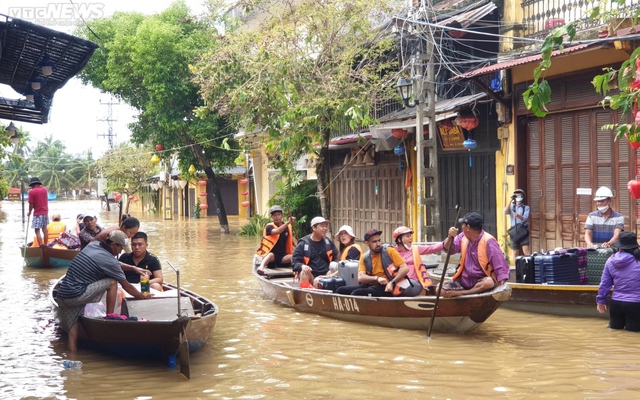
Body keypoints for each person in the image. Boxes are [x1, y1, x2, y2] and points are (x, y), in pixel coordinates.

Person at [55, 230, 153, 352]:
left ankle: (72, 361)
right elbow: (126, 286)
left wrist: (133, 268)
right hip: (77, 295)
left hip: (64, 295)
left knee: (72, 330)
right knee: (112, 281)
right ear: (113, 245)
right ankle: (109, 317)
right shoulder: (109, 260)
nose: (121, 251)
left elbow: (115, 263)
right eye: (120, 248)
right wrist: (141, 296)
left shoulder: (93, 245)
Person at [440, 212, 510, 298]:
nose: (461, 228)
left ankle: (465, 293)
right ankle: (467, 293)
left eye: (463, 225)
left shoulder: (488, 241)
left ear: (468, 227)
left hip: (481, 282)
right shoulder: (462, 237)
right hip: (464, 280)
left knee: (488, 283)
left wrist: (502, 283)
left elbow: (500, 263)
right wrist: (450, 237)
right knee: (439, 290)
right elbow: (448, 249)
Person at [336, 229, 421, 297]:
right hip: (374, 284)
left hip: (389, 286)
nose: (378, 244)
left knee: (357, 293)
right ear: (367, 243)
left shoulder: (389, 251)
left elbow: (404, 268)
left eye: (379, 240)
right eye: (374, 242)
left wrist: (392, 283)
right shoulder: (364, 257)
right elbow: (360, 277)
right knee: (340, 290)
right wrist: (376, 279)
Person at [596, 231, 640, 331]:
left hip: (616, 304)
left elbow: (604, 283)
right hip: (636, 304)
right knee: (633, 336)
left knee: (614, 332)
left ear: (620, 246)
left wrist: (601, 301)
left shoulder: (611, 260)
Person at [292, 216, 339, 288]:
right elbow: (295, 262)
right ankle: (306, 293)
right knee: (304, 272)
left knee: (335, 269)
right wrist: (303, 266)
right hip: (311, 275)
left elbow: (337, 257)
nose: (325, 229)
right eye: (322, 226)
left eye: (326, 226)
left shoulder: (328, 242)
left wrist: (331, 272)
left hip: (326, 275)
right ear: (314, 228)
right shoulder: (303, 243)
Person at [392, 226, 441, 292]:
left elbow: (432, 248)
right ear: (399, 240)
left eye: (410, 236)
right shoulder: (392, 251)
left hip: (414, 282)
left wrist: (446, 242)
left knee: (407, 286)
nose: (410, 238)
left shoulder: (415, 249)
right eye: (407, 236)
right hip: (398, 281)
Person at [256, 205, 296, 274]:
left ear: (282, 216)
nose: (277, 217)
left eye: (279, 215)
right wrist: (288, 223)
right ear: (271, 217)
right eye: (274, 215)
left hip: (283, 256)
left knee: (293, 257)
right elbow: (277, 231)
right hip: (272, 257)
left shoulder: (287, 227)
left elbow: (292, 240)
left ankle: (296, 271)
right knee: (270, 255)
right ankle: (261, 267)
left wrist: (299, 247)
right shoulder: (269, 226)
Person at [504, 188, 530, 256]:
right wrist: (510, 200)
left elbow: (525, 219)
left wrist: (518, 215)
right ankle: (517, 266)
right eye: (516, 196)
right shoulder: (512, 206)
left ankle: (529, 266)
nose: (518, 197)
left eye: (520, 196)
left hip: (522, 231)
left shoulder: (526, 208)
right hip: (514, 231)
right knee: (515, 252)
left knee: (526, 251)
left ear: (522, 197)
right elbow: (505, 211)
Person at [27, 177, 49, 246]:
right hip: (45, 212)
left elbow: (31, 204)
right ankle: (46, 244)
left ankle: (41, 245)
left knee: (37, 230)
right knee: (44, 229)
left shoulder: (32, 192)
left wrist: (29, 212)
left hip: (37, 213)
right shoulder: (45, 189)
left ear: (32, 185)